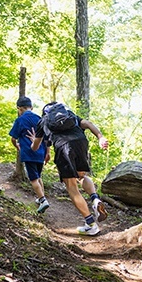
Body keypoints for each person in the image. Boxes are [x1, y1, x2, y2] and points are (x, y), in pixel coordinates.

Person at [27, 101, 109, 236]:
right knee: (81, 176)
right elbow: (87, 124)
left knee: (71, 186)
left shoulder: (43, 121)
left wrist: (33, 141)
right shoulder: (69, 115)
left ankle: (91, 224)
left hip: (63, 146)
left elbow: (35, 147)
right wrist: (100, 137)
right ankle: (95, 199)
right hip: (81, 142)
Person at [9, 96, 51, 214]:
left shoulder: (20, 120)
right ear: (31, 107)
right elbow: (47, 138)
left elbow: (13, 138)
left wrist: (16, 146)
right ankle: (41, 197)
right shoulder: (39, 119)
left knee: (33, 179)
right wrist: (48, 152)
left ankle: (43, 200)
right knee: (38, 176)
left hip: (29, 153)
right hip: (41, 152)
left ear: (19, 108)